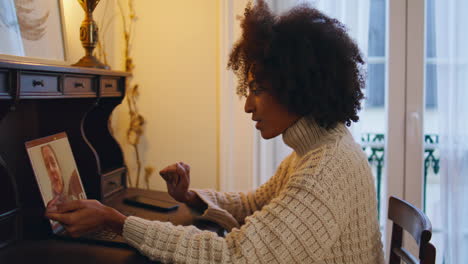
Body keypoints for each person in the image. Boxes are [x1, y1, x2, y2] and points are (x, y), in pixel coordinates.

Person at [46, 1, 384, 263]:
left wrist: (116, 221)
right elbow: (252, 205)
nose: (248, 106)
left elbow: (234, 255)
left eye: (258, 90)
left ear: (297, 87)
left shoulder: (325, 169)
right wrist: (190, 197)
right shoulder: (314, 154)